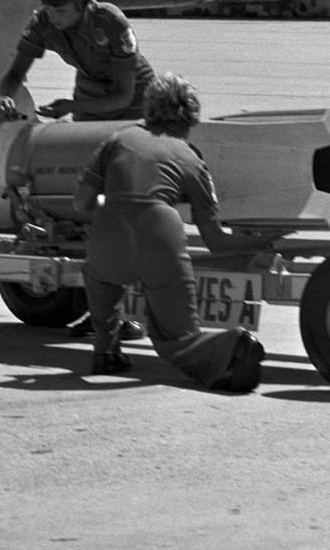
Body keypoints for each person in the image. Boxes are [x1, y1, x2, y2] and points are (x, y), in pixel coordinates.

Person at [72, 74, 268, 391]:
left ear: (149, 109)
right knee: (174, 339)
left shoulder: (118, 139)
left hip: (111, 228)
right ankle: (233, 349)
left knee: (99, 278)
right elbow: (215, 239)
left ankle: (104, 352)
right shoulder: (191, 158)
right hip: (159, 233)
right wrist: (262, 242)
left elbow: (81, 203)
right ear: (190, 119)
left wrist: (116, 207)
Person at [0, 0, 155, 123]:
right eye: (47, 8)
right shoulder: (43, 22)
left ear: (81, 3)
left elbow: (124, 97)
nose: (52, 16)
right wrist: (5, 97)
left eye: (60, 10)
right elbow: (14, 74)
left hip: (137, 98)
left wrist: (71, 106)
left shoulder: (110, 21)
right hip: (90, 93)